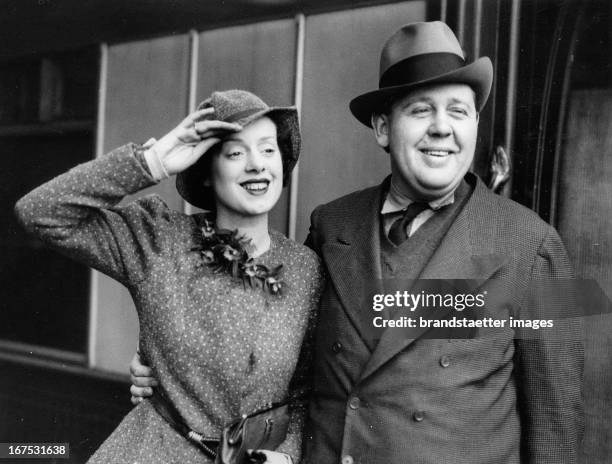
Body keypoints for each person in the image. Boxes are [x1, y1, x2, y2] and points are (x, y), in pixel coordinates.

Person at [131, 21, 583, 464]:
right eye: (421, 110)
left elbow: (557, 423)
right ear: (383, 128)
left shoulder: (535, 245)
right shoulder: (331, 225)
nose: (442, 128)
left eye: (458, 111)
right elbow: (277, 355)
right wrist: (170, 366)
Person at [15, 90, 323, 464]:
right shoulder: (157, 239)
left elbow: (306, 391)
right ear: (207, 172)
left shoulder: (305, 268)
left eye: (268, 149)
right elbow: (39, 212)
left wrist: (287, 456)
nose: (257, 165)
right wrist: (155, 160)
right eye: (236, 153)